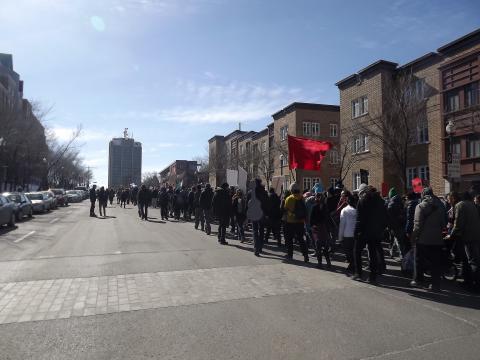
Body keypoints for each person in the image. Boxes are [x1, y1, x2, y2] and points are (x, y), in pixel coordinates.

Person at [411, 187, 446, 291]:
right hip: (437, 239)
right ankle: (435, 285)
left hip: (423, 240)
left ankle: (418, 281)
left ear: (423, 195)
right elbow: (444, 223)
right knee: (435, 263)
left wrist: (413, 237)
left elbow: (417, 225)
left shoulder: (420, 206)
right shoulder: (441, 205)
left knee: (419, 261)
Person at [353, 184, 387, 284]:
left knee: (357, 251)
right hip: (375, 231)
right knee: (373, 254)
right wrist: (381, 229)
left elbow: (359, 219)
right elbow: (385, 217)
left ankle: (358, 273)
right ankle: (373, 277)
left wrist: (356, 231)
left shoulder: (362, 200)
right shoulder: (380, 201)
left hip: (363, 232)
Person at [449, 191, 480, 292]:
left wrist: (451, 235)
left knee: (472, 261)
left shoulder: (460, 205)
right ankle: (468, 281)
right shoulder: (472, 205)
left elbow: (458, 224)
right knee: (469, 260)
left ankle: (475, 284)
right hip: (476, 235)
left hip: (468, 237)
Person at [284, 183, 309, 262]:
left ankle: (290, 254)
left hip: (290, 222)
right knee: (301, 239)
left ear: (291, 190)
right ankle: (305, 255)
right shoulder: (302, 198)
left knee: (289, 239)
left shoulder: (289, 198)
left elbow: (285, 209)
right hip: (300, 222)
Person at [247, 179, 269, 256]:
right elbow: (267, 204)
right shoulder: (264, 192)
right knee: (262, 230)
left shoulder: (250, 192)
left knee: (255, 231)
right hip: (262, 213)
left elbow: (248, 204)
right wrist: (266, 213)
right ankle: (260, 247)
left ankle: (256, 248)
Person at [310, 192, 331, 268]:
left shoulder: (314, 207)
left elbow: (311, 220)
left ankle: (320, 263)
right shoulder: (325, 207)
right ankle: (328, 262)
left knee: (318, 246)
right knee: (324, 246)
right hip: (323, 228)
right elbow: (328, 218)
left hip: (317, 228)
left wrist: (312, 226)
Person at [339, 192, 357, 274]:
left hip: (347, 234)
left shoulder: (344, 211)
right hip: (355, 234)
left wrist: (340, 237)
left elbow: (342, 225)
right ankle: (354, 264)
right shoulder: (357, 210)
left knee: (348, 251)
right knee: (354, 251)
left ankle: (352, 264)